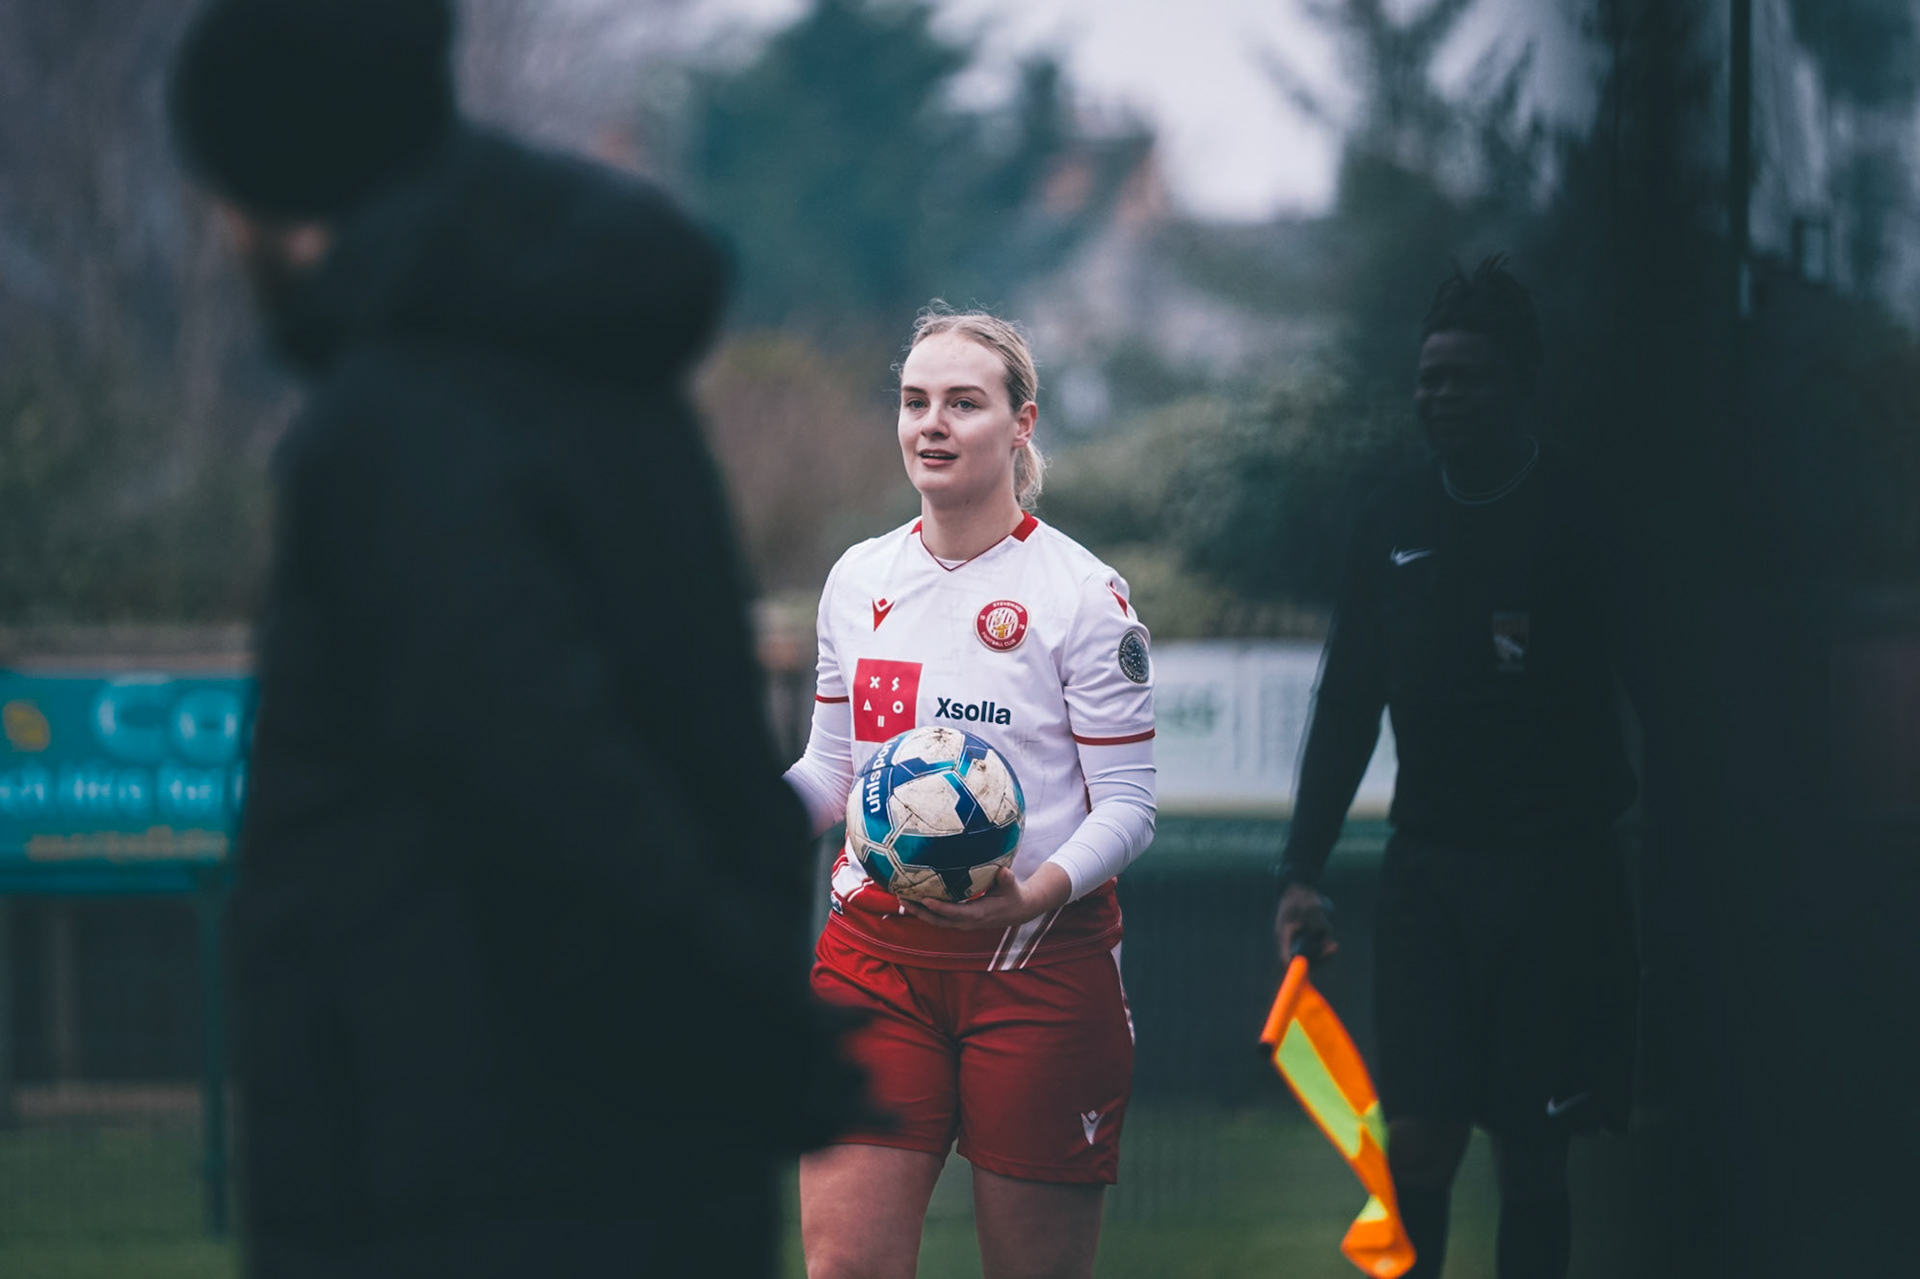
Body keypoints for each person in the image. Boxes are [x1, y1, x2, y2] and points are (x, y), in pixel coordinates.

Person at [167, 2, 860, 1273]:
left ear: (277, 187)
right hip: (648, 1167)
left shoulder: (395, 428)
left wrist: (753, 1027)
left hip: (465, 1173)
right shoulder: (616, 395)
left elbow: (540, 774)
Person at [1272, 257, 1640, 1279]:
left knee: (1534, 1153)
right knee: (1420, 1138)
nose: (1439, 395)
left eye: (1464, 378)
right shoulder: (1393, 521)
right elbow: (1347, 704)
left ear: (1521, 385)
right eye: (1428, 377)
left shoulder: (1580, 518)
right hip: (1430, 877)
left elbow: (1663, 683)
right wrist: (1300, 868)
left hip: (1560, 879)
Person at [783, 309, 1158, 1279]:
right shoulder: (858, 578)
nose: (932, 424)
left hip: (1039, 964)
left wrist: (1032, 894)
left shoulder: (1085, 596)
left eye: (963, 402)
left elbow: (1128, 805)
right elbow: (831, 770)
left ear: (1022, 423)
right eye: (915, 402)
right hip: (874, 961)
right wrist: (732, 821)